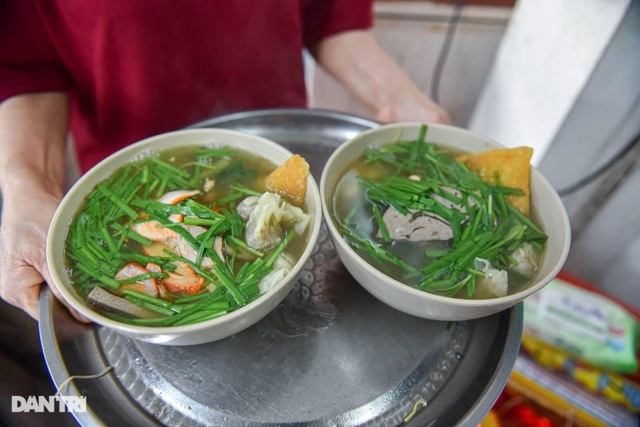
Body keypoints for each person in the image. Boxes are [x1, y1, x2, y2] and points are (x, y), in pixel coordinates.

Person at [0, 0, 450, 322]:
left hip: (278, 151)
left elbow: (328, 13)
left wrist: (399, 104)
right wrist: (26, 187)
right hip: (129, 168)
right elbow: (27, 64)